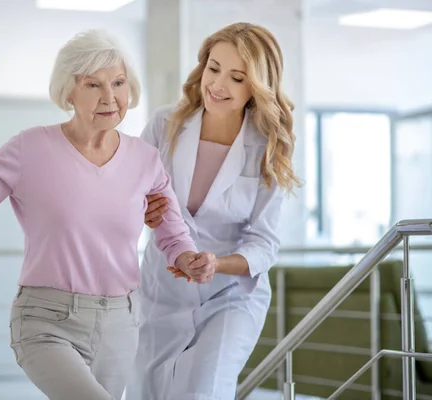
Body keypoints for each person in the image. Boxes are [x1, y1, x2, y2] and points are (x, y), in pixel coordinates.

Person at [0, 29, 216, 400]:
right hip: (46, 321)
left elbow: (173, 233)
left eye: (118, 83)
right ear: (69, 92)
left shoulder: (145, 159)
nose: (110, 97)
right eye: (93, 85)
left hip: (120, 323)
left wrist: (191, 260)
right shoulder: (31, 147)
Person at [128, 22, 301, 400]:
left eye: (236, 78)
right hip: (162, 291)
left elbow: (265, 241)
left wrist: (216, 264)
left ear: (255, 86)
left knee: (203, 390)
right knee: (148, 393)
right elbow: (126, 194)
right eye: (213, 68)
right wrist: (141, 209)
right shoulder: (164, 124)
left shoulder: (267, 146)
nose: (218, 85)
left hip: (231, 295)